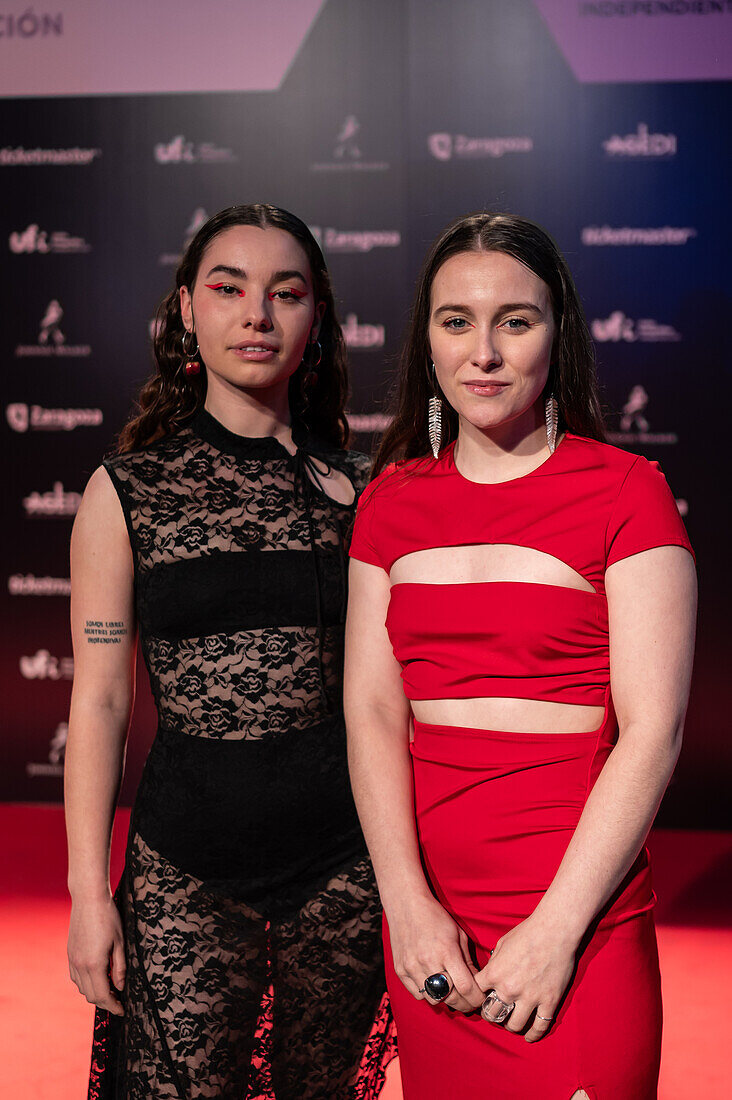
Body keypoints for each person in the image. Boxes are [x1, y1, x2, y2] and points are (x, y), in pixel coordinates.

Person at [345, 212, 696, 1099]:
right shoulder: (389, 503)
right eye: (456, 321)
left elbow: (651, 734)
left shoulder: (627, 492)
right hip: (435, 928)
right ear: (427, 343)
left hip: (580, 915)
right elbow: (374, 711)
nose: (485, 352)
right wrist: (407, 907)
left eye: (517, 320)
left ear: (558, 333)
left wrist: (555, 931)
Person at [65, 203, 396, 1099]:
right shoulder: (125, 492)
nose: (257, 314)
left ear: (315, 318)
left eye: (286, 292)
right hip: (186, 870)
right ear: (186, 310)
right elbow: (98, 703)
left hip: (345, 872)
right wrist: (89, 897)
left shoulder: (369, 491)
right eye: (229, 288)